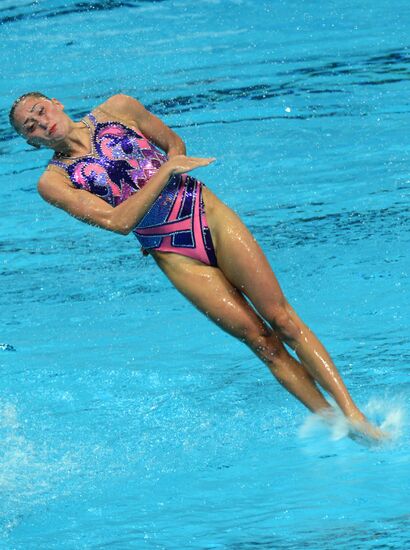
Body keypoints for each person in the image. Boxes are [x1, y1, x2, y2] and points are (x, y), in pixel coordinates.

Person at [9, 91, 387, 445]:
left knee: (282, 320)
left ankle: (353, 413)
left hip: (205, 212)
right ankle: (339, 425)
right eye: (30, 127)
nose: (41, 123)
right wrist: (166, 170)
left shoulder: (119, 109)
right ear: (31, 143)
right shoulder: (54, 182)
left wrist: (173, 163)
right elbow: (119, 222)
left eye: (40, 111)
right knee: (261, 342)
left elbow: (175, 147)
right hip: (169, 249)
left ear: (56, 103)